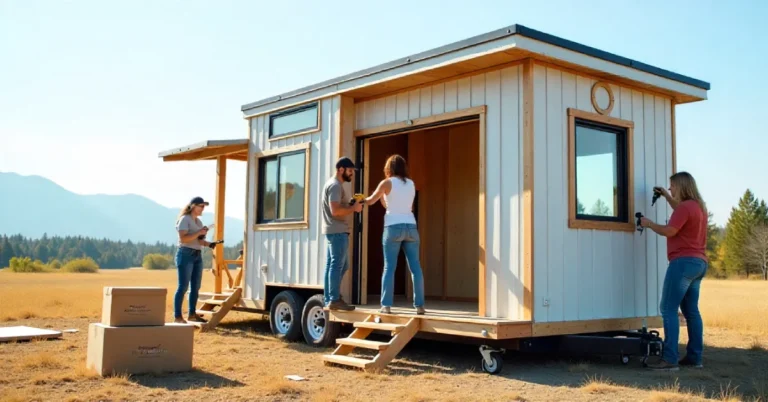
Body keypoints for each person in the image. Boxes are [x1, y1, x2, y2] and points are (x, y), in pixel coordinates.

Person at [640, 172, 708, 371]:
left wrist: (649, 224)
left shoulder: (686, 207)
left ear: (681, 186)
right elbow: (680, 211)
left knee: (668, 308)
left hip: (682, 263)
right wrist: (667, 197)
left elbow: (671, 230)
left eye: (672, 186)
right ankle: (695, 358)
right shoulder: (698, 207)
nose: (670, 189)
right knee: (692, 312)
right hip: (699, 263)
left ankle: (670, 359)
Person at [364, 154, 426, 315]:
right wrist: (386, 201)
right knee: (415, 267)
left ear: (388, 168)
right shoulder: (411, 183)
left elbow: (371, 200)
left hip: (393, 227)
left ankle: (386, 306)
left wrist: (360, 199)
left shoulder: (386, 183)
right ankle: (419, 306)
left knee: (389, 267)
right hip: (411, 226)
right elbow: (408, 207)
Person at [321, 157, 363, 311]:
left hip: (334, 231)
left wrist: (350, 203)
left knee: (334, 265)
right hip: (337, 231)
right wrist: (354, 209)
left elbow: (337, 206)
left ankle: (330, 298)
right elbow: (335, 211)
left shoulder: (332, 185)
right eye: (350, 171)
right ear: (341, 169)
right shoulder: (335, 186)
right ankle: (334, 299)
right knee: (338, 265)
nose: (352, 174)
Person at [174, 196, 219, 324]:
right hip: (185, 254)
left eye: (204, 206)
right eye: (201, 206)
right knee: (183, 287)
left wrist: (208, 243)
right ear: (193, 206)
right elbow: (184, 239)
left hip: (197, 255)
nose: (203, 208)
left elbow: (197, 240)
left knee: (195, 287)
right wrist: (199, 232)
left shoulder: (198, 222)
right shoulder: (184, 219)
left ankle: (192, 315)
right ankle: (177, 317)